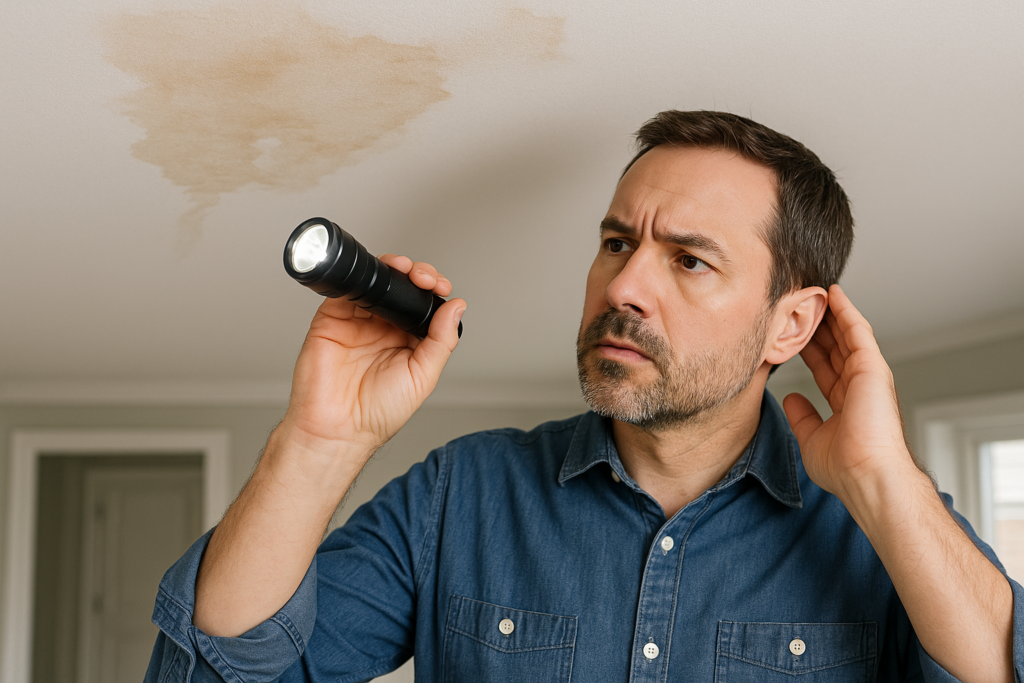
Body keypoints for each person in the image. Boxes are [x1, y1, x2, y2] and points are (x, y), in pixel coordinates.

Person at [145, 111, 1021, 683]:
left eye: (689, 259)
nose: (624, 284)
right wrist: (317, 441)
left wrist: (880, 476)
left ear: (790, 325)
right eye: (615, 241)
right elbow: (214, 670)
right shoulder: (460, 497)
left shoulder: (878, 528)